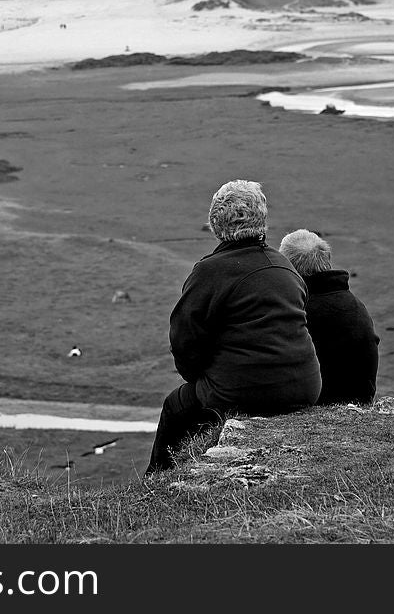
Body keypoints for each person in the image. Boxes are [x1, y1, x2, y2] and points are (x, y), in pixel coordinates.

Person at [146, 181, 321, 474]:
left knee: (177, 405)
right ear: (262, 220)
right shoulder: (284, 266)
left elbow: (184, 339)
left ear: (216, 223)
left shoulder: (210, 271)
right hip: (304, 388)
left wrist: (201, 380)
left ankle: (156, 481)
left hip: (243, 393)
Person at [279, 229, 379, 406]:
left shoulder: (299, 311)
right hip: (361, 401)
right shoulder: (355, 305)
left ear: (290, 268)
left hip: (318, 405)